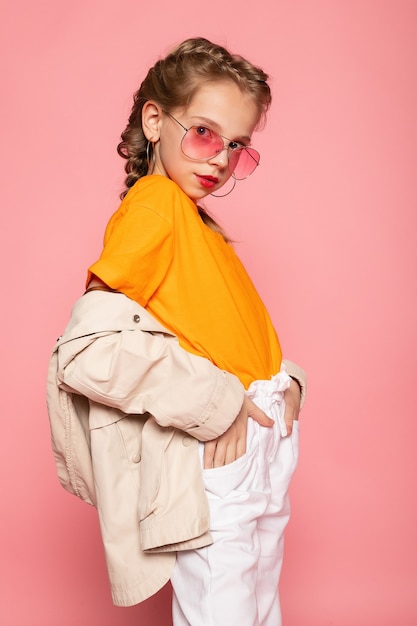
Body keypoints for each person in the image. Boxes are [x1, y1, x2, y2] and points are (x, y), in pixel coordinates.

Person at [50, 37, 306, 625]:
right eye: (205, 133)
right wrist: (217, 402)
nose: (220, 158)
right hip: (223, 442)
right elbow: (89, 350)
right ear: (155, 120)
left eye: (238, 145)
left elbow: (222, 331)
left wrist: (283, 379)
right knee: (227, 612)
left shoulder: (194, 221)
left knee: (255, 609)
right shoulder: (156, 205)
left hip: (263, 436)